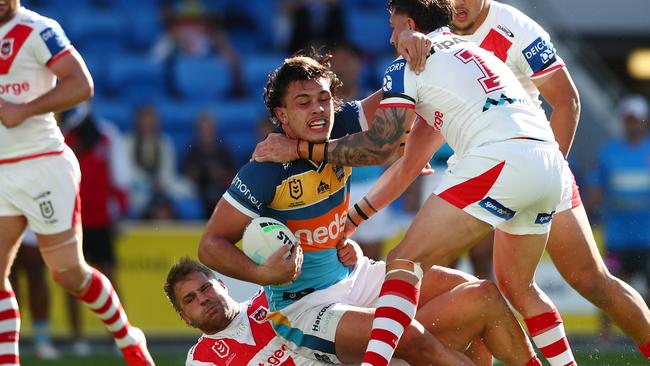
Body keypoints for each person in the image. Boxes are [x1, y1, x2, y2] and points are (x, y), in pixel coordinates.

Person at [251, 1, 576, 365]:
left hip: (501, 160)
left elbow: (378, 147)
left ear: (409, 24)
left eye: (393, 28)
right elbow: (408, 165)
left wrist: (296, 147)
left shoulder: (407, 65)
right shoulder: (475, 53)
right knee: (520, 287)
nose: (391, 38)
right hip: (550, 164)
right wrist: (353, 222)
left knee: (403, 260)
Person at [199, 52, 541, 365]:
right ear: (281, 114)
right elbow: (210, 245)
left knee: (483, 297)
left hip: (357, 275)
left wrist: (431, 46)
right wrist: (262, 275)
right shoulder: (265, 169)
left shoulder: (341, 121)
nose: (318, 109)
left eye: (323, 99)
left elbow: (404, 88)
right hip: (305, 308)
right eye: (303, 103)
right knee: (404, 335)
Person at [397, 0, 650, 357]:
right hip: (492, 165)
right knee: (516, 286)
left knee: (586, 279)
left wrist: (550, 173)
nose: (458, 5)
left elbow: (568, 102)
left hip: (529, 162)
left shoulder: (517, 27)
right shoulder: (434, 30)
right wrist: (407, 34)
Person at [0, 2, 153, 365]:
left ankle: (128, 337)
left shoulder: (36, 29)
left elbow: (81, 84)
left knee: (68, 275)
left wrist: (24, 109)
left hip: (41, 164)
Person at [63, 102, 132, 356]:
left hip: (101, 220)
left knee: (109, 280)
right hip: (72, 221)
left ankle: (119, 337)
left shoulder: (107, 135)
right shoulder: (63, 137)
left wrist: (121, 211)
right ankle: (77, 338)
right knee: (73, 282)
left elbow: (120, 176)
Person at [587, 94, 650, 342]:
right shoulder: (608, 153)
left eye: (636, 119)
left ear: (644, 121)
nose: (631, 123)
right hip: (617, 235)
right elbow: (595, 190)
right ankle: (605, 341)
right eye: (628, 119)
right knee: (610, 288)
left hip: (647, 237)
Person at [8, 229, 60, 360]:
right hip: (5, 216)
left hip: (32, 217)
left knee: (36, 274)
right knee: (8, 279)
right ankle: (9, 339)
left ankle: (42, 340)